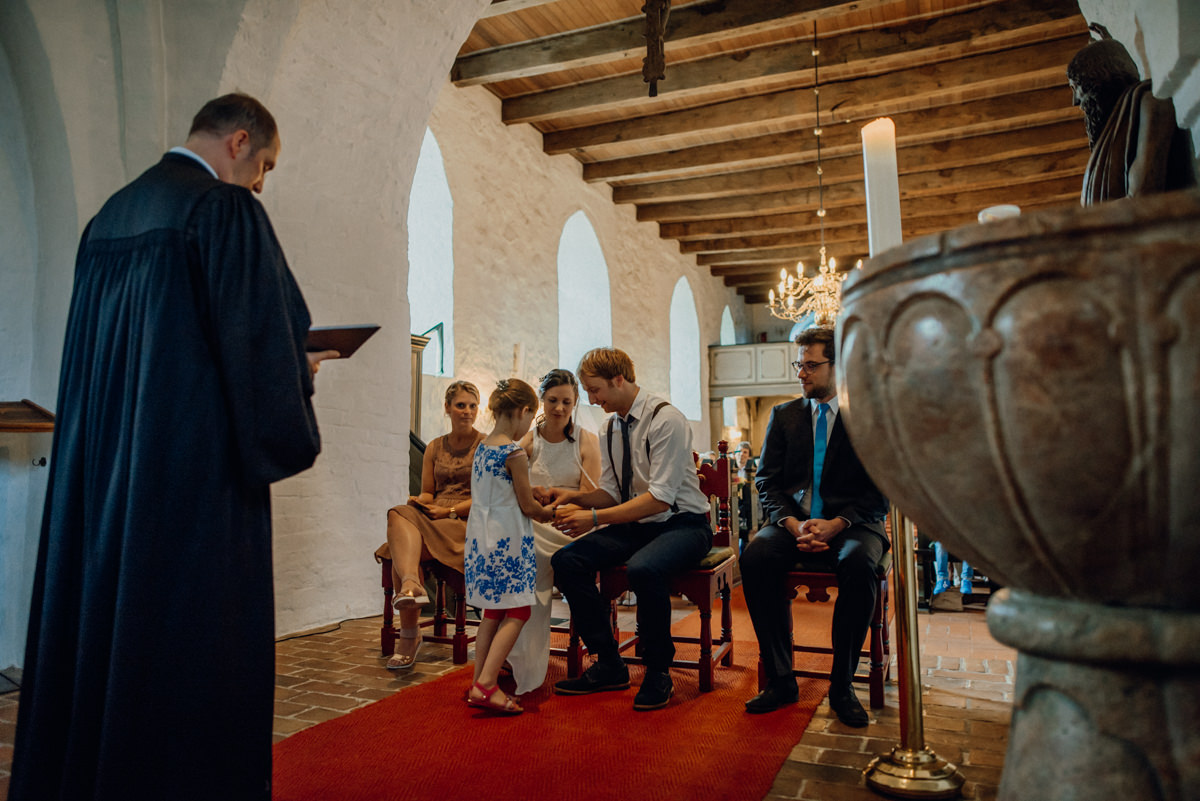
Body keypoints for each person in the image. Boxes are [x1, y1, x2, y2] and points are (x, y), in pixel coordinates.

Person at [10, 93, 337, 801]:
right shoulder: (225, 212)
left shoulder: (108, 220)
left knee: (101, 649)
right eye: (265, 167)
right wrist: (298, 369)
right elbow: (260, 359)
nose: (262, 184)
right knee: (188, 665)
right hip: (188, 495)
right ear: (239, 141)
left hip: (101, 490)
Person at [543, 347, 712, 711]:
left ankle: (657, 672)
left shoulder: (666, 419)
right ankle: (609, 663)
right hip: (639, 524)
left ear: (619, 379)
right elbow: (610, 493)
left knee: (644, 569)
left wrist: (591, 520)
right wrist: (570, 496)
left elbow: (660, 499)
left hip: (684, 524)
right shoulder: (610, 426)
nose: (590, 399)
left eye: (595, 390)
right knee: (566, 562)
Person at [740, 327, 888, 727]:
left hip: (854, 523)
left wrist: (837, 524)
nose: (801, 373)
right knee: (754, 557)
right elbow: (767, 481)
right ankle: (782, 679)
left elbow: (881, 488)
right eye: (798, 364)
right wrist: (793, 524)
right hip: (794, 523)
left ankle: (842, 685)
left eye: (811, 365)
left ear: (837, 366)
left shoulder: (868, 414)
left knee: (859, 565)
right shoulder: (785, 415)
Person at [464, 379, 555, 715]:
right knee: (518, 610)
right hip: (508, 542)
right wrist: (550, 512)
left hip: (481, 539)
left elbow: (499, 493)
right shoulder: (514, 453)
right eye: (531, 419)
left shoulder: (484, 447)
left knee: (492, 611)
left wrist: (532, 490)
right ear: (523, 411)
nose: (528, 426)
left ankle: (478, 680)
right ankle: (487, 684)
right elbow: (527, 507)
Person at [508, 369, 601, 695]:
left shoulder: (586, 441)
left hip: (571, 524)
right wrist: (532, 496)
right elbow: (512, 484)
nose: (559, 408)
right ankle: (515, 650)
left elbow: (592, 495)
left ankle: (522, 655)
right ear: (541, 400)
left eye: (566, 402)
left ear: (575, 403)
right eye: (552, 401)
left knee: (528, 552)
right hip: (535, 520)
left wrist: (560, 507)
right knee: (519, 548)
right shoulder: (529, 440)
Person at [381, 380, 484, 670]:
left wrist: (448, 511)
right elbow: (428, 490)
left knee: (398, 550)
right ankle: (412, 585)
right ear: (448, 408)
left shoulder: (485, 445)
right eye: (460, 405)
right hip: (435, 514)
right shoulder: (435, 446)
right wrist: (421, 502)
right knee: (398, 513)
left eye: (472, 406)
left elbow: (486, 498)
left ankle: (409, 636)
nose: (466, 411)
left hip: (465, 519)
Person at [1068, 24, 1196, 205]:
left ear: (1099, 77)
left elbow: (1143, 197)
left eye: (1076, 86)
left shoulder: (1151, 102)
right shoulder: (1117, 124)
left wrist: (1078, 220)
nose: (1075, 101)